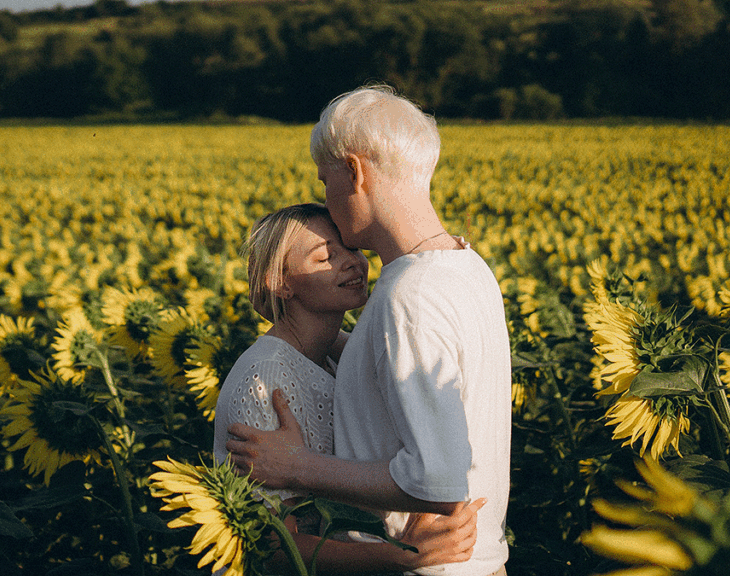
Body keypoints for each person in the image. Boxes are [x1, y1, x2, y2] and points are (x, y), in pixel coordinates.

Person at [226, 85, 513, 576]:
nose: (325, 198)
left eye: (325, 180)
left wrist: (296, 467)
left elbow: (437, 477)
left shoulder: (411, 295)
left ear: (354, 172)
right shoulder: (466, 266)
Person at [213, 202, 485, 574]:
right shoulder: (265, 379)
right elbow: (271, 545)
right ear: (280, 282)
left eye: (352, 249)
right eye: (325, 256)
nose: (352, 263)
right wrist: (402, 555)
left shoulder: (332, 354)